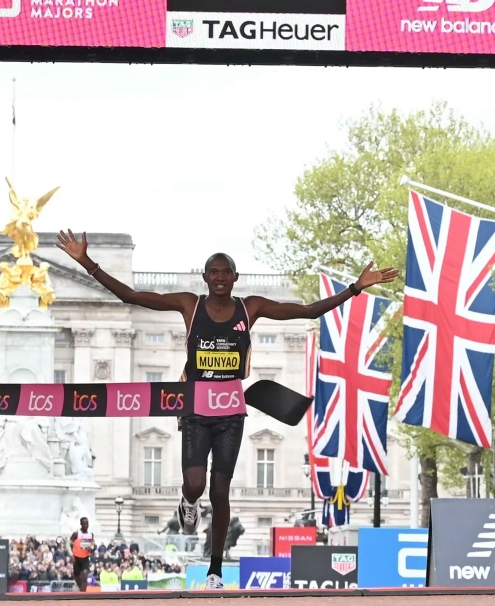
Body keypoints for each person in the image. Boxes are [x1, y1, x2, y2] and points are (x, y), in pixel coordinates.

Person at [56, 230, 396, 589]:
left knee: (220, 492)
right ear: (206, 278)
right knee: (195, 483)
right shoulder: (190, 304)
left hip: (231, 411)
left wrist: (355, 288)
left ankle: (215, 570)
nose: (219, 277)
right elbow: (131, 295)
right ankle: (187, 504)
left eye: (226, 272)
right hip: (195, 408)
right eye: (213, 272)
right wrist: (86, 263)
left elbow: (309, 310)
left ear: (235, 278)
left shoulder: (251, 308)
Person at [69, 517, 94, 592]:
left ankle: (83, 594)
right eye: (84, 524)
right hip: (76, 558)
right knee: (77, 576)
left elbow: (93, 544)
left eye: (87, 524)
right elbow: (68, 543)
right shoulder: (76, 534)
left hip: (85, 558)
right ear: (81, 524)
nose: (86, 525)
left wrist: (92, 547)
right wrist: (71, 554)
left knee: (85, 574)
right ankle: (81, 589)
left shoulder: (91, 534)